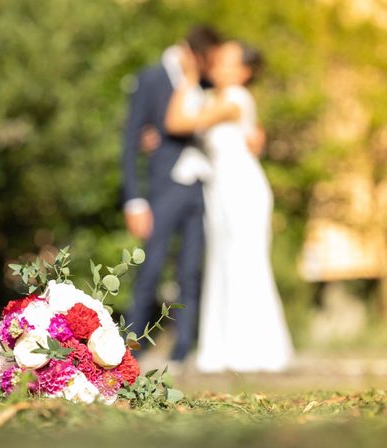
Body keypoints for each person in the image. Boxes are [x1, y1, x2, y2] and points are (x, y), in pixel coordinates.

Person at [165, 41, 293, 372]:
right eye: (217, 60)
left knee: (244, 262)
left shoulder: (236, 98)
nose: (217, 66)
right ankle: (224, 348)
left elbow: (179, 123)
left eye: (226, 61)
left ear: (244, 72)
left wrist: (188, 77)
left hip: (243, 189)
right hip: (221, 191)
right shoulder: (216, 99)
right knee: (223, 262)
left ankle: (252, 350)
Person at [121, 26, 221, 363]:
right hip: (163, 188)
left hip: (201, 187)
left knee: (191, 271)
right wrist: (134, 199)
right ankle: (131, 350)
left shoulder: (208, 84)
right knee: (150, 268)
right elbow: (130, 139)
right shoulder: (151, 78)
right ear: (192, 53)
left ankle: (183, 350)